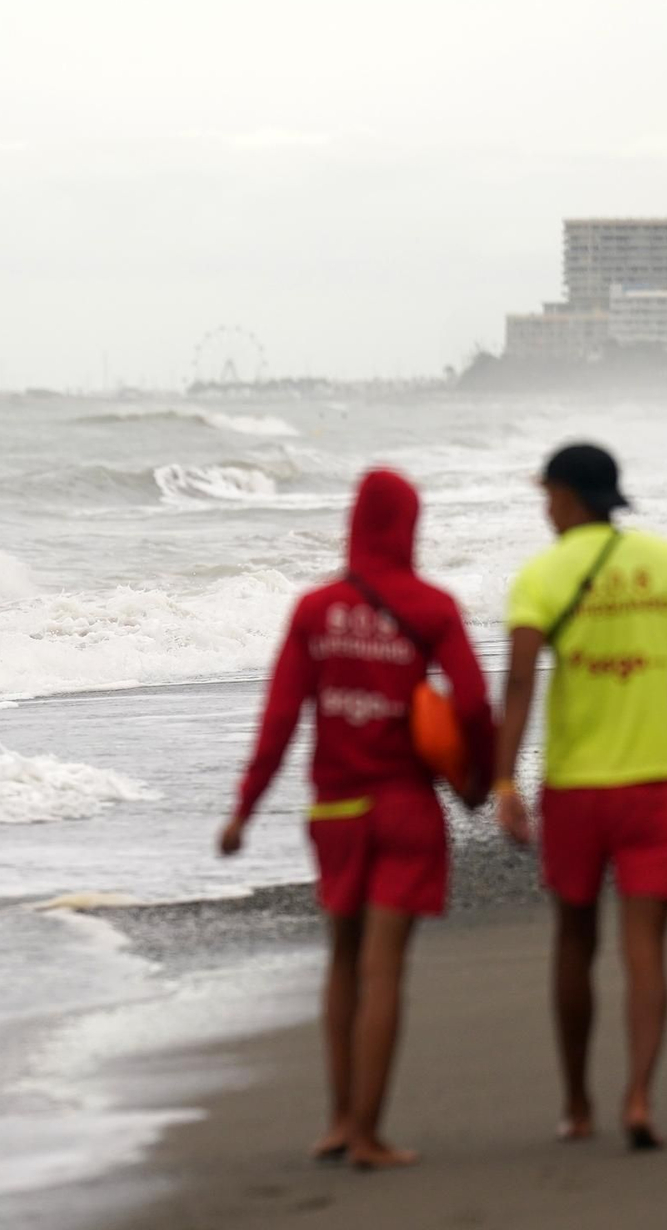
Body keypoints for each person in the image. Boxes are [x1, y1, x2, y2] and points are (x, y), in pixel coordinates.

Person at [219, 468, 494, 1169]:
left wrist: (244, 810)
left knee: (342, 960)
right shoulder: (432, 607)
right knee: (383, 970)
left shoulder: (316, 609)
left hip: (336, 811)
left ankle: (340, 1120)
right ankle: (369, 1133)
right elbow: (471, 703)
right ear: (409, 526)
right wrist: (475, 784)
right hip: (405, 809)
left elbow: (281, 718)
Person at [490, 444, 667, 1152]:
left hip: (576, 790)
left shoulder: (540, 575)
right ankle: (638, 1096)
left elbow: (517, 684)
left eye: (547, 494)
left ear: (568, 496)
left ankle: (577, 1104)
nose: (544, 507)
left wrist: (506, 778)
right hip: (655, 785)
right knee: (647, 950)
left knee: (574, 941)